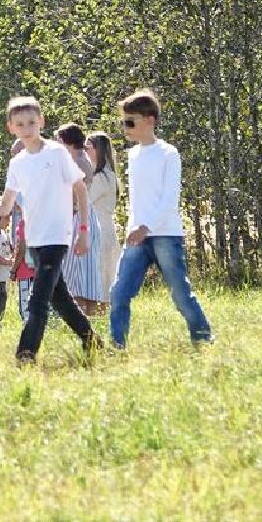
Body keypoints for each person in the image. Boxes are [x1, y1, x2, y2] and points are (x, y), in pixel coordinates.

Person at [0, 98, 101, 364]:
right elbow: (5, 204)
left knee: (37, 300)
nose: (27, 128)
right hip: (35, 239)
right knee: (60, 298)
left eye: (32, 122)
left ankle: (25, 354)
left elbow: (80, 188)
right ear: (11, 127)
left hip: (57, 238)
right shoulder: (18, 162)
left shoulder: (56, 153)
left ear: (41, 121)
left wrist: (84, 230)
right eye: (20, 124)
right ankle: (92, 340)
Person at [108, 90, 213, 350]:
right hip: (137, 236)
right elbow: (137, 200)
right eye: (123, 122)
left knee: (180, 294)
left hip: (164, 234)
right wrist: (135, 227)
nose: (126, 128)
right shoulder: (132, 156)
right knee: (119, 293)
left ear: (150, 120)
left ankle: (202, 337)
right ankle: (118, 346)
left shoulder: (168, 153)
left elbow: (169, 198)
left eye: (130, 121)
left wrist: (147, 227)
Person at [64, 129, 120, 315]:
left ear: (98, 150)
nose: (85, 150)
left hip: (102, 231)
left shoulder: (103, 177)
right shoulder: (100, 175)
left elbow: (84, 198)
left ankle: (100, 319)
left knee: (101, 283)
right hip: (101, 229)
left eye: (89, 147)